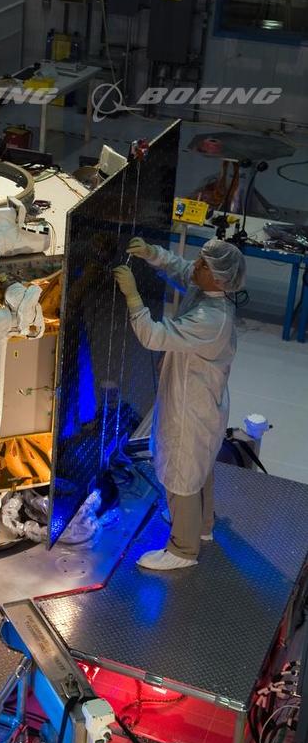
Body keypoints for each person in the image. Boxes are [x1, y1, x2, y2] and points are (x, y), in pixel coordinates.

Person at [114, 238, 246, 572]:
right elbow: (182, 269)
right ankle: (202, 525)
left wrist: (133, 296)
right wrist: (151, 253)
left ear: (218, 278)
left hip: (191, 405)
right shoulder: (208, 291)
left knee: (181, 470)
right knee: (200, 465)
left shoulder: (210, 318)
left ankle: (183, 549)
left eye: (203, 264)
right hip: (203, 396)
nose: (195, 265)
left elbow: (153, 336)